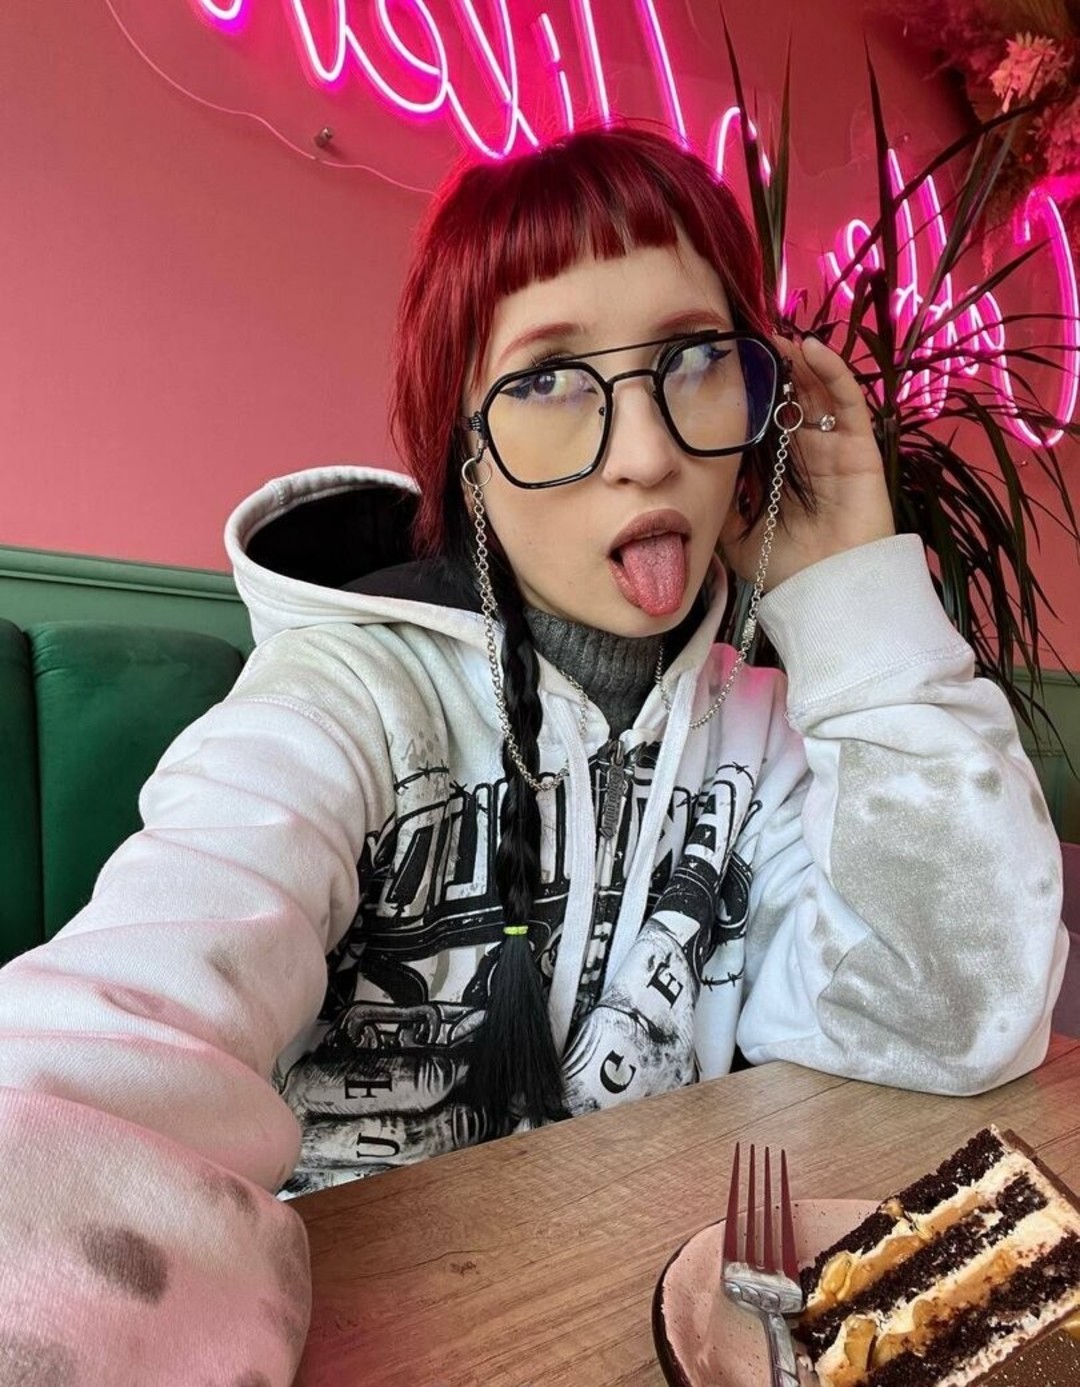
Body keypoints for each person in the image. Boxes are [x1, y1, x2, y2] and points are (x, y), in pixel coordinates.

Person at [0, 123, 1066, 1384]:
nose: (647, 451)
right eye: (551, 377)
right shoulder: (344, 698)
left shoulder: (774, 736)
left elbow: (954, 1018)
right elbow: (115, 1034)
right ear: (464, 449)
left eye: (694, 359)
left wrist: (852, 599)